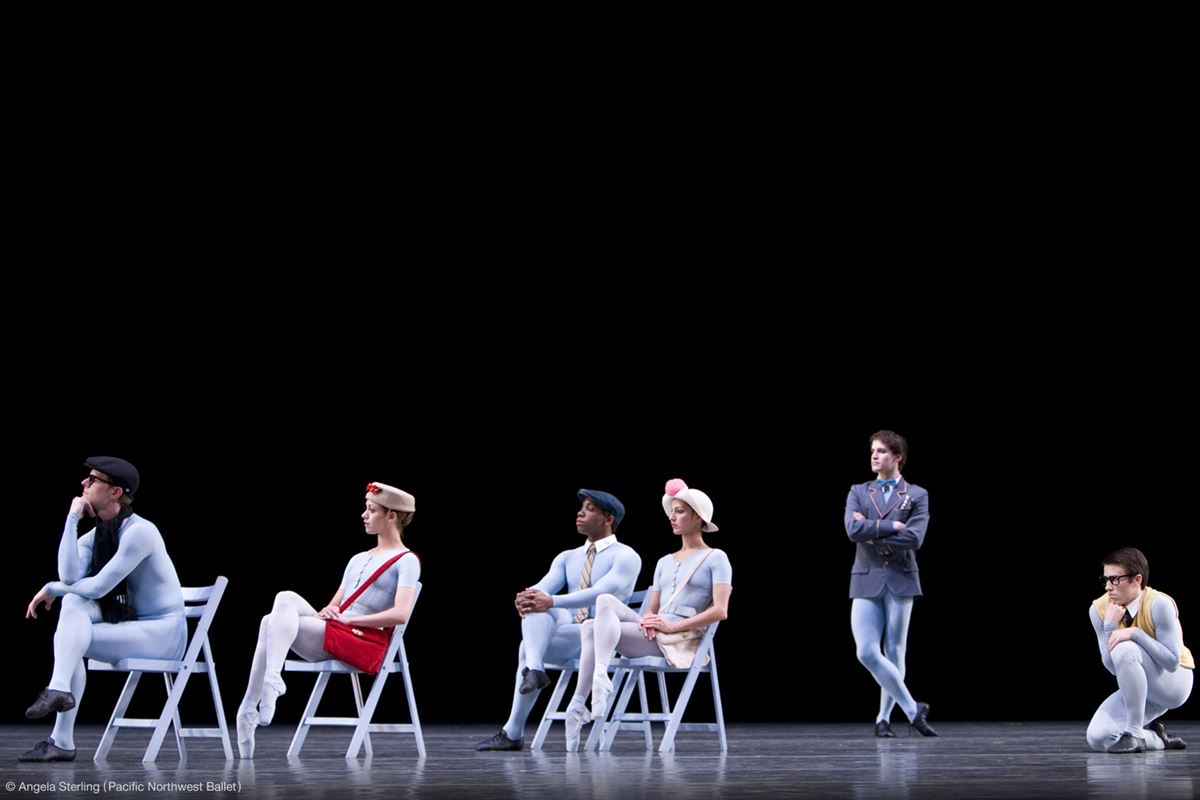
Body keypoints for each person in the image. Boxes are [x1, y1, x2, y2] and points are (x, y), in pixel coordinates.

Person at [235, 481, 420, 758]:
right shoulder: (357, 558)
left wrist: (350, 622)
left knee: (269, 623)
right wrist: (329, 612)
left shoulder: (406, 560)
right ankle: (267, 685)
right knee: (283, 599)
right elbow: (334, 605)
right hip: (337, 629)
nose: (364, 515)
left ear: (391, 516)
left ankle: (250, 706)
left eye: (371, 510)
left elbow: (401, 614)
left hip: (363, 640)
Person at [21, 457, 187, 763]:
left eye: (93, 480)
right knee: (73, 610)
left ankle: (59, 709)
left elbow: (97, 587)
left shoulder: (140, 532)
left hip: (163, 633)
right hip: (134, 626)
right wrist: (72, 519)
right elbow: (69, 577)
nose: (84, 484)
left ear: (115, 492)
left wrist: (51, 588)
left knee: (72, 637)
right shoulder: (99, 534)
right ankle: (60, 713)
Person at [562, 478, 732, 751]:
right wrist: (653, 621)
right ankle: (595, 684)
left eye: (680, 511)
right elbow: (651, 610)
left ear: (698, 517)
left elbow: (720, 610)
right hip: (654, 629)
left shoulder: (716, 558)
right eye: (672, 512)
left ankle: (578, 703)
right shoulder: (664, 561)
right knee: (604, 602)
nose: (672, 517)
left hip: (680, 639)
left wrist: (673, 627)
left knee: (591, 627)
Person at [475, 489, 641, 751]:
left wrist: (551, 601)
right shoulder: (567, 557)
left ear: (608, 518)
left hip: (603, 637)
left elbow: (601, 593)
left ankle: (514, 729)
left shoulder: (625, 555)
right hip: (572, 636)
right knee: (536, 607)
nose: (580, 513)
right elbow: (543, 589)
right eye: (581, 507)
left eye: (590, 509)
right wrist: (526, 597)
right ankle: (534, 671)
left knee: (529, 643)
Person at [844, 430, 936, 737]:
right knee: (866, 652)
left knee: (895, 651)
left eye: (882, 451)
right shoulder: (859, 491)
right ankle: (912, 709)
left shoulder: (917, 494)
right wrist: (890, 525)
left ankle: (882, 719)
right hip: (866, 576)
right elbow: (852, 529)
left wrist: (873, 534)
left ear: (898, 457)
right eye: (873, 450)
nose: (874, 455)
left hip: (901, 576)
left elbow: (915, 537)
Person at [1086, 547, 1193, 753]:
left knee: (1125, 648)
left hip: (1174, 682)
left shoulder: (1158, 604)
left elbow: (1172, 662)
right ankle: (1157, 739)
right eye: (1105, 579)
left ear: (1137, 580)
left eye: (1115, 579)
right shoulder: (1099, 609)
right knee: (1098, 737)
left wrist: (1135, 633)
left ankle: (1134, 733)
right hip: (1139, 688)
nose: (1108, 587)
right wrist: (1110, 627)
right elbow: (1113, 669)